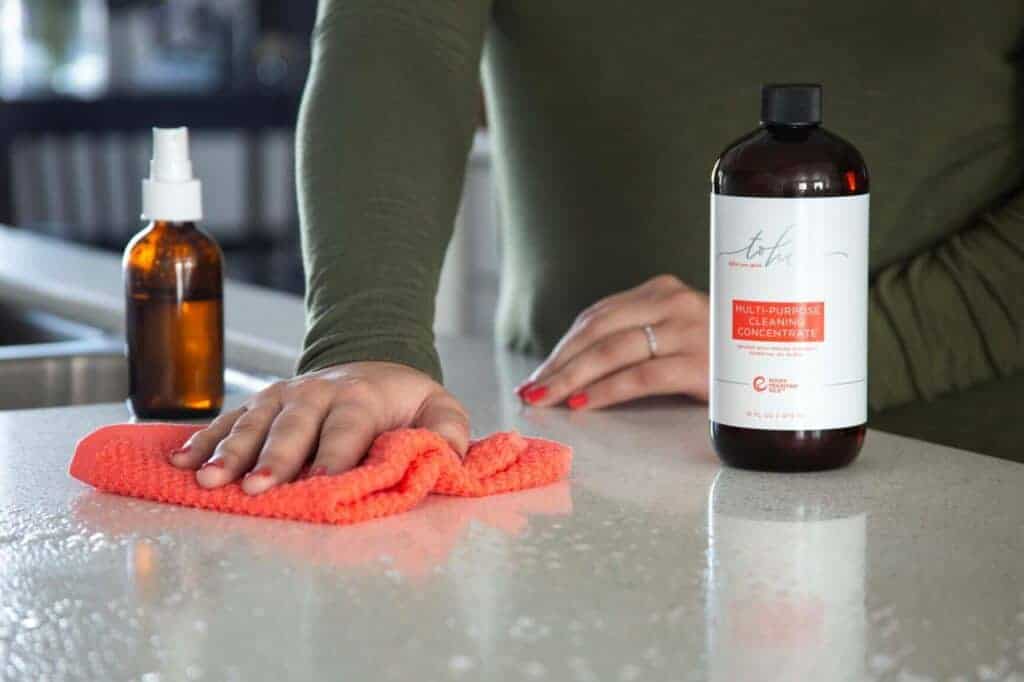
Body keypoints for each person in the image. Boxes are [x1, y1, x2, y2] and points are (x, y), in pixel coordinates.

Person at [168, 0, 1024, 492]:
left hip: (961, 475)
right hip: (574, 460)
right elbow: (395, 36)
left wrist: (825, 349)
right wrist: (364, 343)